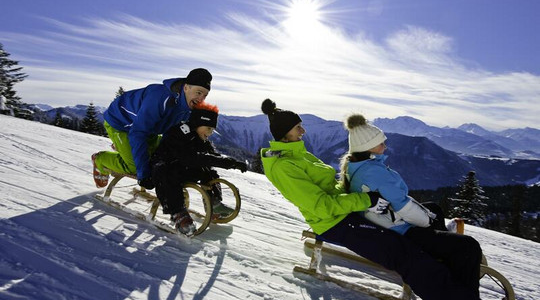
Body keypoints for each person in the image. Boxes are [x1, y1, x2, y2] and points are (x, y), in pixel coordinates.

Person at [260, 99, 481, 300]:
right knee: (403, 254)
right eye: (298, 127)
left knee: (411, 235)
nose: (304, 130)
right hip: (333, 223)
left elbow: (331, 188)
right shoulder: (283, 167)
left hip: (346, 211)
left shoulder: (298, 153)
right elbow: (321, 206)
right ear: (284, 133)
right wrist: (366, 199)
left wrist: (358, 191)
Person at [340, 113, 483, 300]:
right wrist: (428, 221)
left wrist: (429, 216)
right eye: (381, 143)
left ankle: (441, 254)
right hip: (398, 230)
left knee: (434, 208)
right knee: (468, 246)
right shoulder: (374, 172)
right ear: (368, 148)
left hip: (383, 222)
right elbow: (404, 207)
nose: (385, 146)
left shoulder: (357, 166)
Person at [91, 68, 212, 190]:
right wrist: (143, 175)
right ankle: (100, 160)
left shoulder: (188, 108)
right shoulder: (160, 98)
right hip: (121, 123)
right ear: (186, 87)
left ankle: (125, 148)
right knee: (135, 168)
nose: (201, 98)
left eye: (205, 95)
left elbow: (172, 135)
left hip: (149, 129)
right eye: (198, 92)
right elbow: (138, 133)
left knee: (154, 158)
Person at [150, 102, 247, 235]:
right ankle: (178, 213)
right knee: (167, 176)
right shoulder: (180, 133)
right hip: (164, 166)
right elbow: (191, 158)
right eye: (208, 128)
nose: (211, 133)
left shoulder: (200, 138)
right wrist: (226, 162)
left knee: (208, 171)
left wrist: (232, 162)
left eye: (212, 130)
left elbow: (210, 156)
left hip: (183, 167)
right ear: (197, 123)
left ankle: (214, 203)